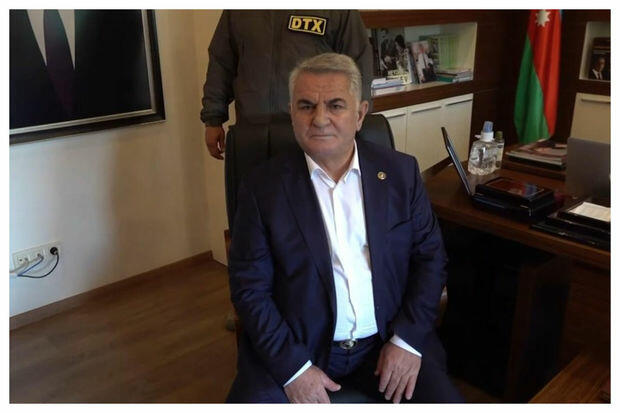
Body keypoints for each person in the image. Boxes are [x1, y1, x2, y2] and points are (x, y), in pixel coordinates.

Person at [226, 53, 463, 403]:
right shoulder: (263, 189)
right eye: (306, 106)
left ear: (360, 114)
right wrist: (294, 369)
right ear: (291, 113)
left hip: (386, 343)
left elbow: (430, 260)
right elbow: (249, 289)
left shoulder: (401, 174)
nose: (320, 118)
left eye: (335, 105)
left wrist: (406, 341)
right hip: (298, 349)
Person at [201, 10, 373, 161]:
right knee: (255, 188)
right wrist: (213, 119)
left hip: (312, 132)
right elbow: (221, 64)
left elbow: (358, 65)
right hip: (252, 133)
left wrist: (357, 121)